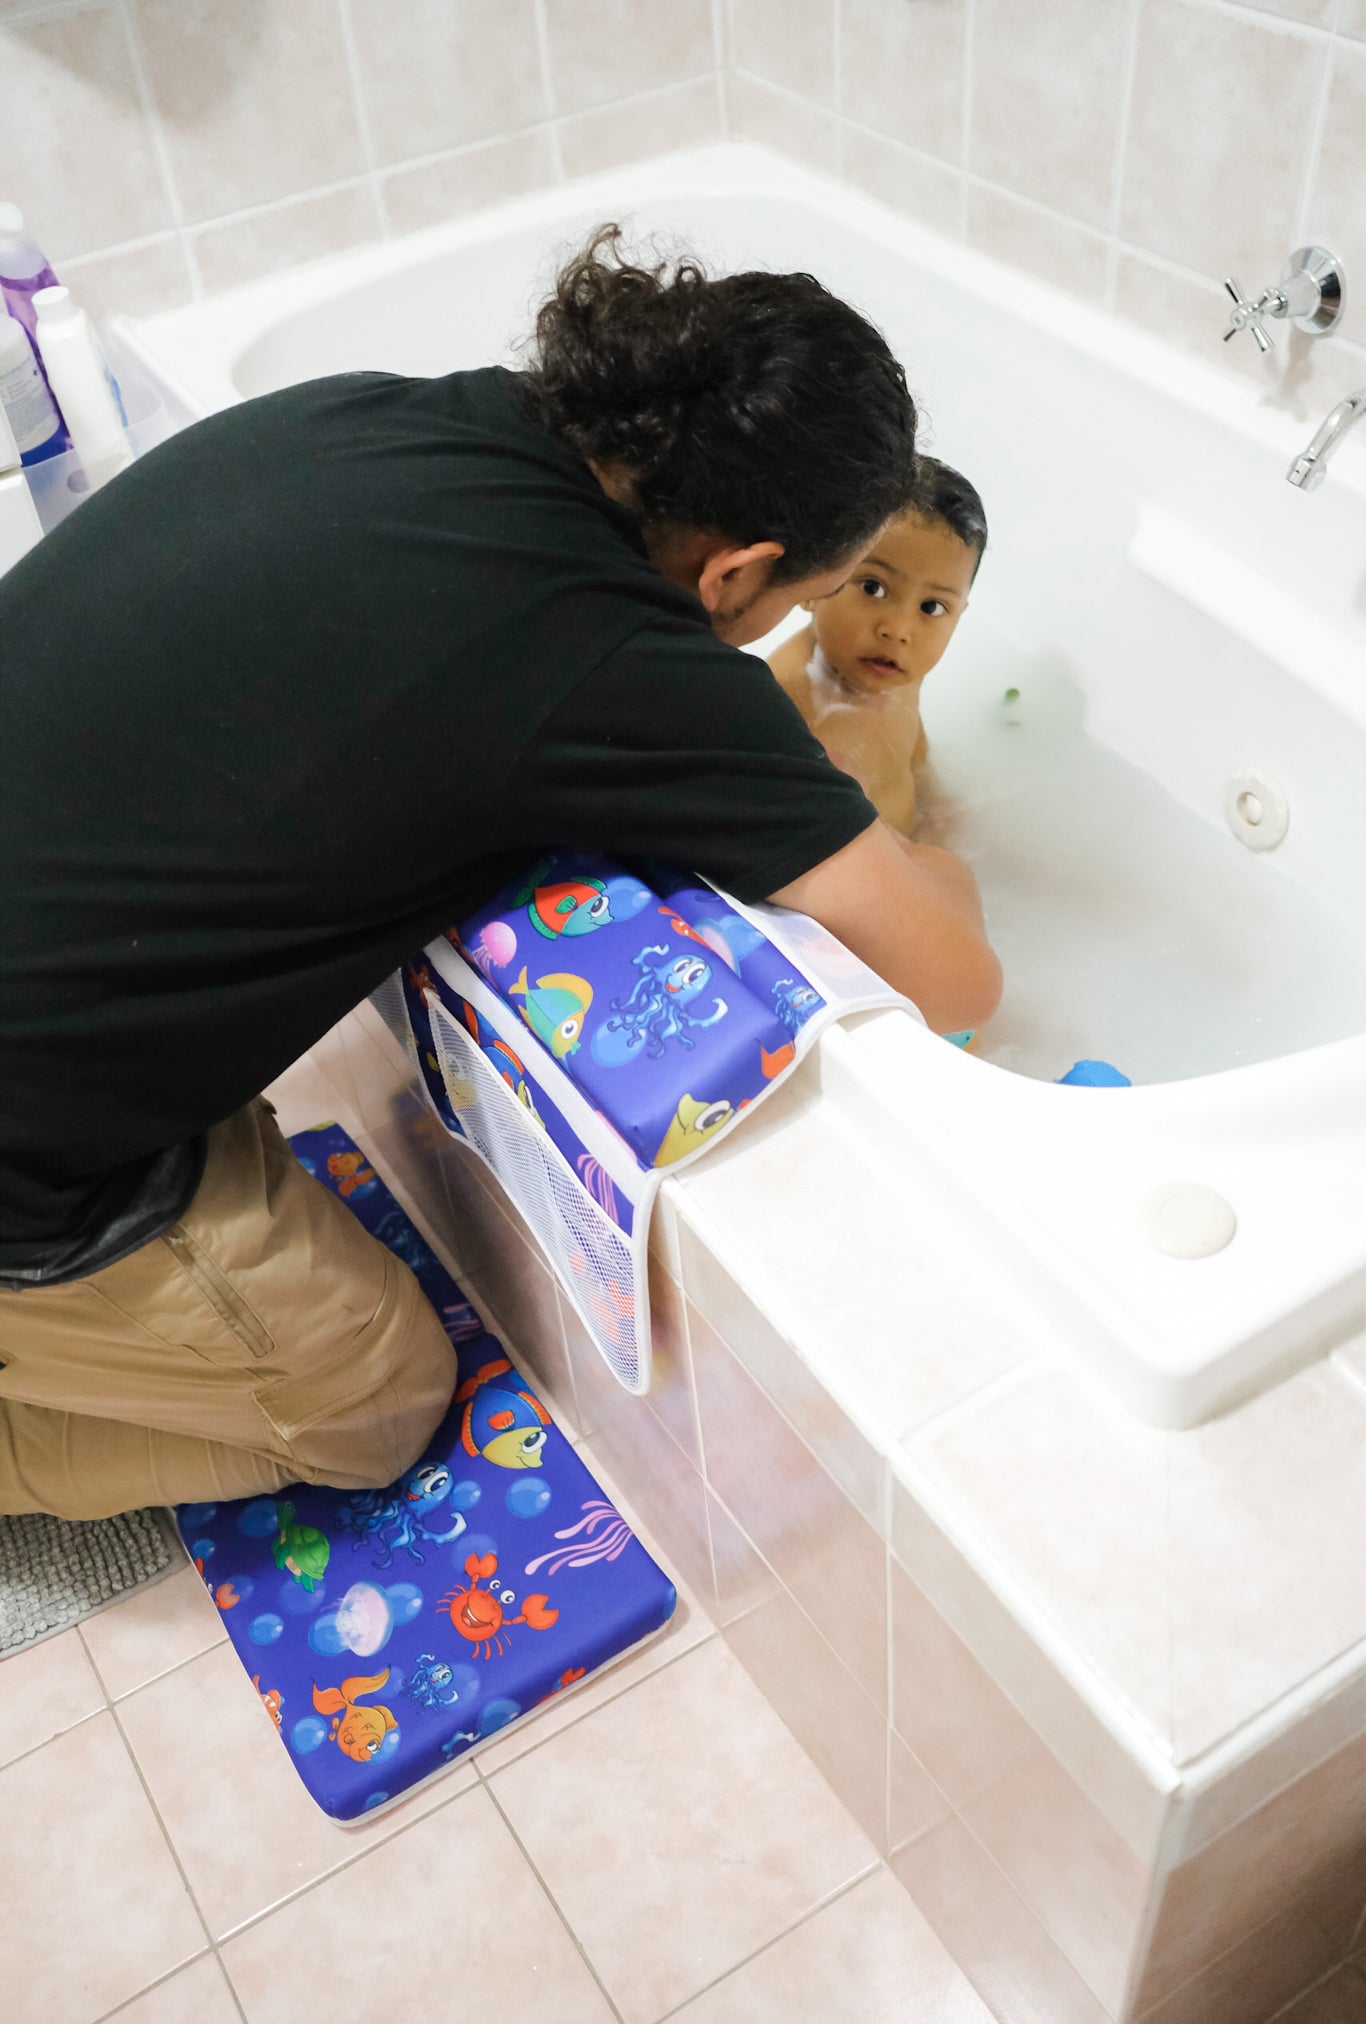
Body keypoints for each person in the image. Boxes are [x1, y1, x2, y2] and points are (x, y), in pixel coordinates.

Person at [0, 226, 1000, 1520]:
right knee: (379, 1402)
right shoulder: (609, 655)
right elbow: (951, 974)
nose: (794, 628)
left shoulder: (374, 412)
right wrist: (934, 858)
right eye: (803, 600)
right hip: (26, 1156)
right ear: (739, 569)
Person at [766, 458, 987, 838]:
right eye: (873, 587)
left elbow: (911, 738)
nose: (899, 629)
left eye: (931, 607)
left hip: (905, 843)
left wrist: (933, 796)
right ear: (814, 576)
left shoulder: (893, 666)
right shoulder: (788, 711)